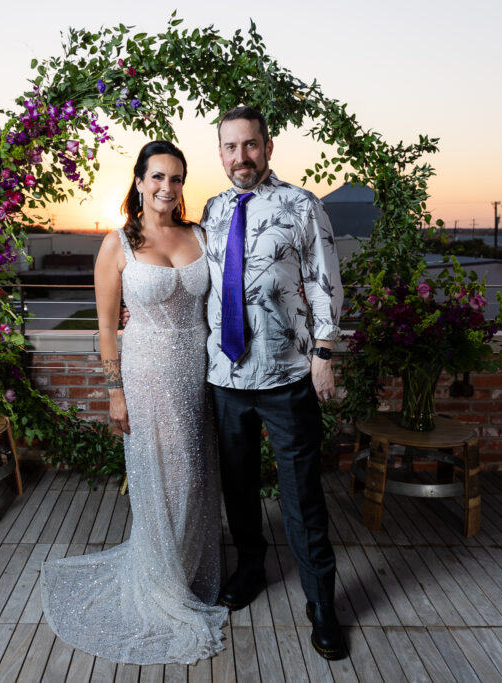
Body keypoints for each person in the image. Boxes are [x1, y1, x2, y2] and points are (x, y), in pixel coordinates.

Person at [39, 140, 227, 664]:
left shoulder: (199, 236)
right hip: (145, 373)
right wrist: (113, 390)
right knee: (160, 476)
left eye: (177, 179)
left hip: (198, 369)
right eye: (158, 177)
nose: (168, 188)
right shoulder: (117, 243)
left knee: (193, 472)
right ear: (140, 181)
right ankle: (160, 583)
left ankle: (186, 568)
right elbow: (105, 327)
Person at [201, 106, 347, 660]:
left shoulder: (302, 205)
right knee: (237, 486)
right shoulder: (212, 211)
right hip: (225, 376)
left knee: (302, 495)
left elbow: (325, 281)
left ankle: (321, 604)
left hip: (288, 374)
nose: (242, 157)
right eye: (231, 147)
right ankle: (251, 569)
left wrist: (325, 352)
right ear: (220, 153)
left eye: (251, 145)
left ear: (269, 145)